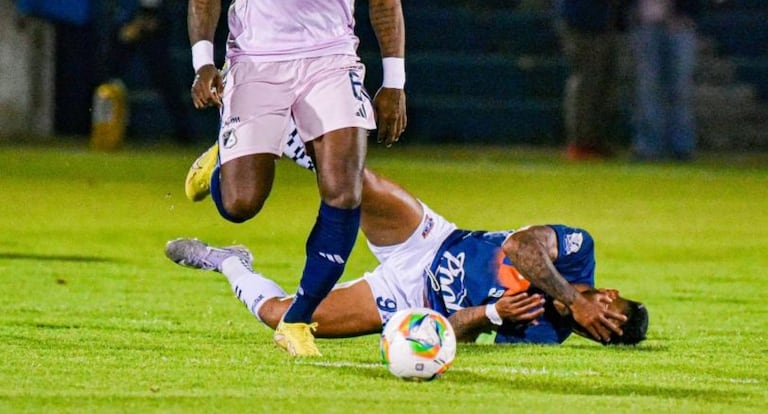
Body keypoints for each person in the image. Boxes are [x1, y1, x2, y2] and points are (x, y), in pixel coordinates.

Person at [166, 138, 647, 346]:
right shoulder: (579, 252)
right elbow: (522, 246)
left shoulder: (546, 334)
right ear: (606, 298)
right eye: (604, 319)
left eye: (598, 336)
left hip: (407, 298)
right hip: (430, 240)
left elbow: (448, 335)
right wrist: (570, 299)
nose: (590, 328)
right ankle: (247, 136)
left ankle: (228, 262)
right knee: (352, 178)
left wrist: (492, 315)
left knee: (284, 318)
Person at [185, 0, 406, 356]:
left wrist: (395, 82)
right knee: (239, 204)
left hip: (331, 59)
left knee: (344, 191)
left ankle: (297, 320)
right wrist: (203, 63)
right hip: (255, 58)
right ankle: (223, 156)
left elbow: (384, 3)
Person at [104, 0, 196, 143]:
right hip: (132, 17)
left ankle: (184, 130)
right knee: (110, 73)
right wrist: (126, 23)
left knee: (165, 80)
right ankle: (106, 127)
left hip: (154, 21)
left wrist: (147, 21)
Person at [627, 0, 702, 161]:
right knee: (647, 89)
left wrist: (686, 13)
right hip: (646, 22)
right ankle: (649, 146)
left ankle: (681, 146)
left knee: (680, 89)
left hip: (680, 24)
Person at [554, 0, 629, 161]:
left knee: (605, 85)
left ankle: (595, 140)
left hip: (605, 23)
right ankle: (580, 142)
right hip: (582, 22)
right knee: (586, 84)